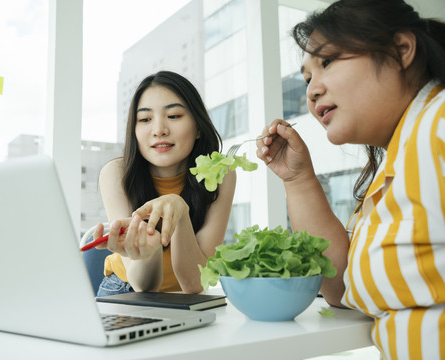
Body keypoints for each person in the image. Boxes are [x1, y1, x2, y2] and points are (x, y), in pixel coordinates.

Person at [255, 0, 445, 359]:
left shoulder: (439, 124)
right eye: (307, 77)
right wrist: (298, 180)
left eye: (326, 62)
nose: (311, 91)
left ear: (401, 50)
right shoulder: (395, 165)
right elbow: (341, 288)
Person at [93, 71, 236, 297]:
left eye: (174, 116)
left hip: (185, 296)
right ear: (134, 131)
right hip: (124, 290)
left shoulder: (221, 173)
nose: (159, 130)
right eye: (145, 119)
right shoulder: (116, 174)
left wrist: (180, 211)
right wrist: (148, 251)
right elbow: (142, 285)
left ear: (198, 127)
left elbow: (195, 284)